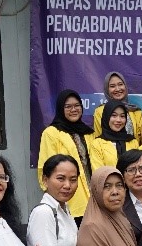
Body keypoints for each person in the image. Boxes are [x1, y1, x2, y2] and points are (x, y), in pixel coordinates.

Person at [38, 89, 98, 218]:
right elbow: (46, 167)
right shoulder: (51, 133)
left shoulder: (89, 133)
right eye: (68, 106)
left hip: (94, 200)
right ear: (60, 109)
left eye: (77, 106)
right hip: (70, 199)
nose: (73, 109)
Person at [91, 71, 142, 140]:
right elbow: (99, 138)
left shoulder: (136, 112)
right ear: (107, 90)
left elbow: (139, 139)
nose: (118, 89)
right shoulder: (100, 111)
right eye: (112, 86)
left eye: (120, 84)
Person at [93, 101, 138, 165]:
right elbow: (98, 172)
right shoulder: (97, 144)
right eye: (114, 115)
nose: (118, 120)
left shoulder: (133, 142)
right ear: (106, 117)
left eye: (122, 116)